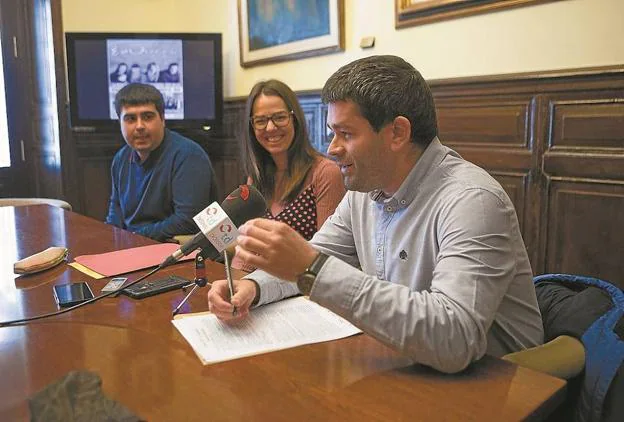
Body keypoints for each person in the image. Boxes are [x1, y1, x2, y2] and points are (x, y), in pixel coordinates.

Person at [207, 55, 544, 374]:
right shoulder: (364, 193)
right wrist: (253, 286)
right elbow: (313, 258)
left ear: (398, 132)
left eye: (346, 134)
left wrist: (310, 268)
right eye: (332, 132)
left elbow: (455, 339)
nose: (332, 148)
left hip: (497, 384)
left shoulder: (473, 200)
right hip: (410, 367)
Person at [105, 83, 218, 242]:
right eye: (130, 119)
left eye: (147, 117)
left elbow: (188, 221)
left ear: (163, 119)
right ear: (120, 123)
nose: (139, 126)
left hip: (177, 250)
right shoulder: (120, 159)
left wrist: (134, 238)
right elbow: (115, 215)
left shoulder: (189, 155)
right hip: (134, 246)